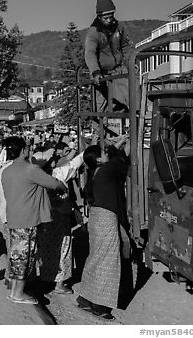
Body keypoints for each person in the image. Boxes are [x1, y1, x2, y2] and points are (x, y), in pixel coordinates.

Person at [0, 136, 67, 304]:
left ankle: (15, 290)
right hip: (26, 220)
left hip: (14, 217)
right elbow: (53, 182)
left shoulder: (6, 170)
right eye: (27, 148)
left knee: (17, 255)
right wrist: (62, 187)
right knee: (24, 257)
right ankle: (18, 294)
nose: (30, 150)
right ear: (22, 151)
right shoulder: (30, 169)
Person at [76, 134, 130, 320]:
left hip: (97, 218)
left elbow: (114, 155)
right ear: (98, 159)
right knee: (107, 263)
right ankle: (100, 306)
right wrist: (123, 144)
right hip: (107, 219)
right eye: (103, 152)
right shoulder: (107, 170)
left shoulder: (93, 172)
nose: (106, 152)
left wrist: (118, 143)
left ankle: (84, 299)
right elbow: (123, 162)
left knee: (95, 259)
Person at [33, 147, 85, 295]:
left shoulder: (36, 176)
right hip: (60, 218)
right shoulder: (58, 174)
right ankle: (59, 284)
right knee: (63, 248)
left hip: (43, 218)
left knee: (46, 248)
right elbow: (76, 162)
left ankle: (45, 278)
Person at [85, 0, 134, 113]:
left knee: (132, 101)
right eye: (105, 18)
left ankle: (134, 126)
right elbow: (90, 53)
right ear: (99, 17)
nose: (109, 20)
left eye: (111, 17)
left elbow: (126, 47)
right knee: (100, 110)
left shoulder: (120, 28)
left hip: (119, 71)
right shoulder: (93, 32)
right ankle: (100, 129)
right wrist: (95, 71)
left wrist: (131, 63)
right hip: (102, 75)